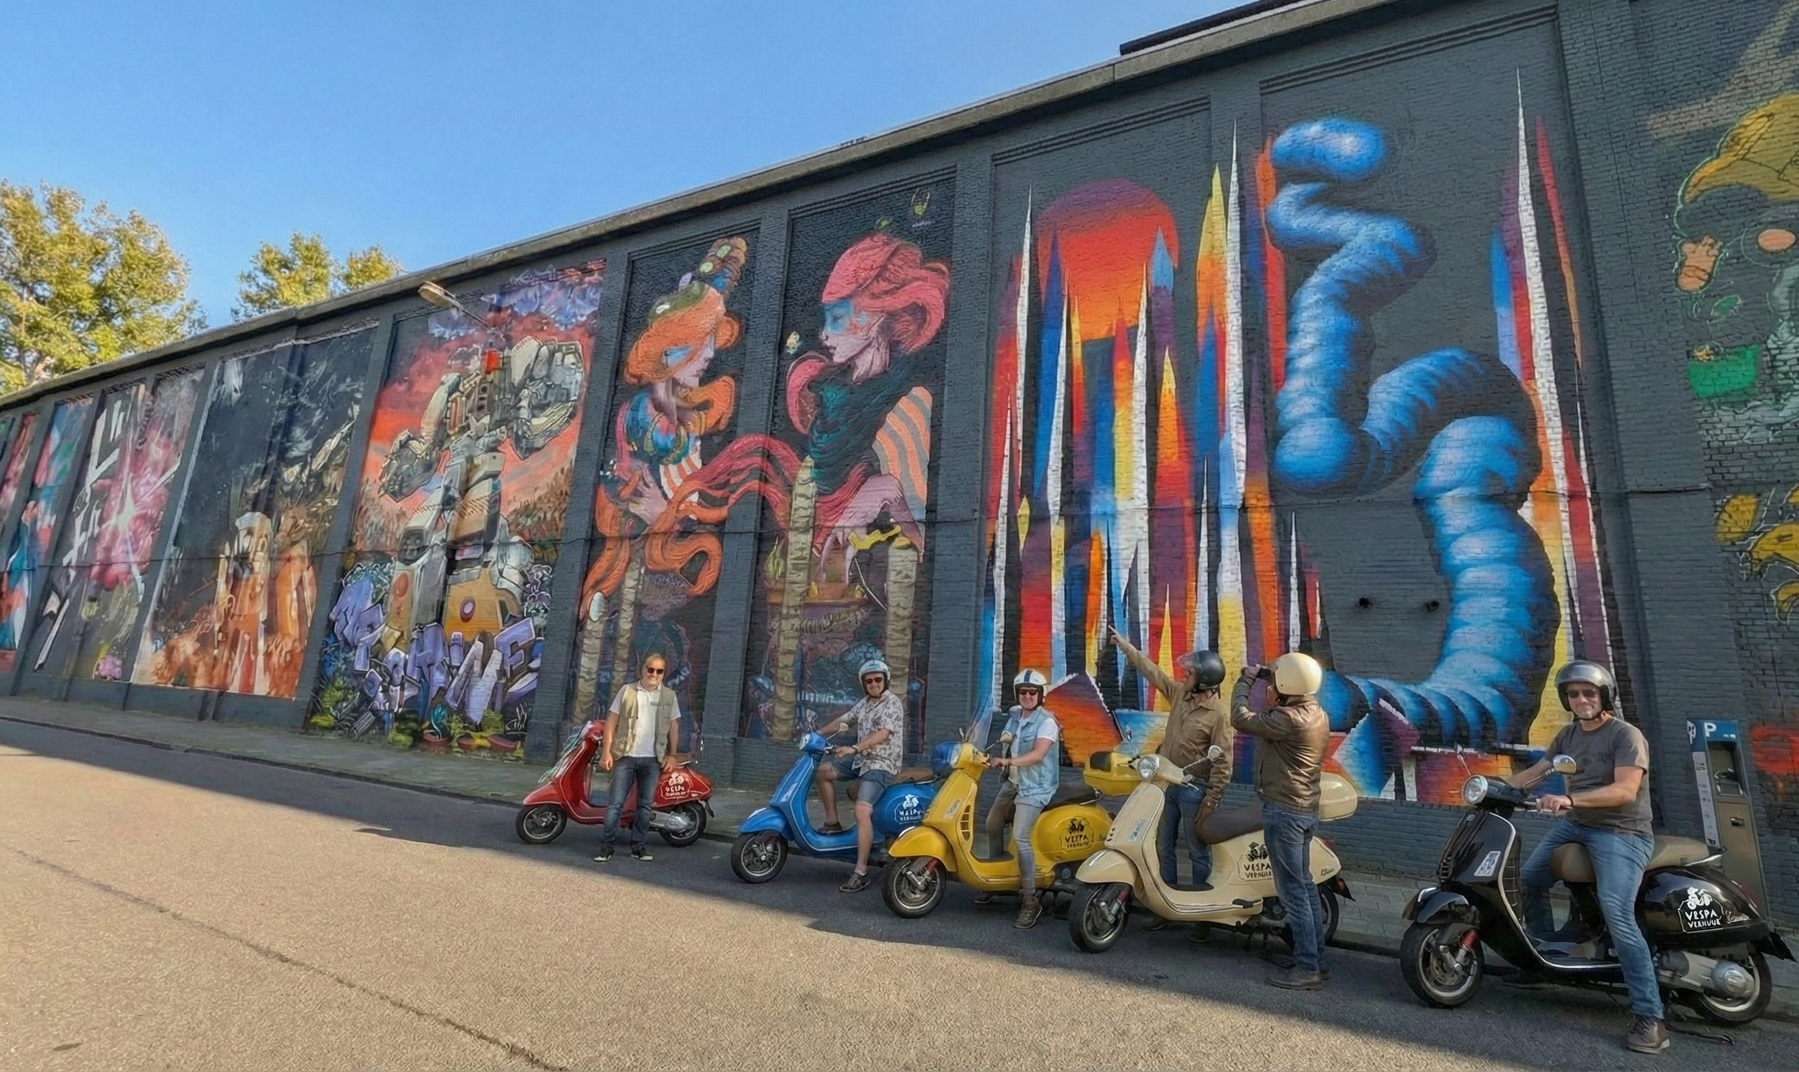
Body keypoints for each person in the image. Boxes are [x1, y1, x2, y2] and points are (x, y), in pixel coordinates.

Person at [1505, 661, 1667, 1056]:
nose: (1580, 700)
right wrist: (1488, 788)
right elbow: (1538, 772)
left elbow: (1626, 791)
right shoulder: (1569, 735)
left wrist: (1570, 798)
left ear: (1604, 696)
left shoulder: (1626, 735)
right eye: (1573, 694)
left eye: (1588, 693)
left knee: (1617, 911)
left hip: (1621, 831)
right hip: (1576, 824)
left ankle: (1651, 1016)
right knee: (1528, 880)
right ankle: (1543, 959)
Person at [1110, 629, 1231, 938]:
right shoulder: (1180, 694)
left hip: (1194, 790)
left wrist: (1211, 801)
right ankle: (1163, 910)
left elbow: (1223, 761)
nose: (1184, 675)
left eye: (1190, 673)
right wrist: (1126, 646)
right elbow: (1153, 673)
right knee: (1163, 846)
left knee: (1197, 853)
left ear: (1203, 681)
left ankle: (1202, 918)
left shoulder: (1218, 715)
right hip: (1166, 784)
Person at [1231, 651, 1331, 990]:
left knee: (1293, 892)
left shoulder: (1287, 720)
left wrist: (1245, 680)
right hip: (1303, 810)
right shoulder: (1315, 712)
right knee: (1304, 886)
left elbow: (1240, 718)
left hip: (1285, 812)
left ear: (1287, 687)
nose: (1268, 689)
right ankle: (1314, 957)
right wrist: (1267, 675)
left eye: (1273, 683)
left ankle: (1306, 968)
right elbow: (1288, 685)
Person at [976, 669, 1063, 929]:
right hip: (1014, 783)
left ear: (1040, 695)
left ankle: (1029, 899)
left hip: (1036, 787)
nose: (1027, 696)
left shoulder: (1047, 722)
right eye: (1023, 692)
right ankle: (1000, 879)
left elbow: (1037, 755)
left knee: (1021, 836)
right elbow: (1003, 741)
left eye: (1032, 692)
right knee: (992, 823)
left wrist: (1009, 761)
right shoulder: (1015, 717)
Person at [814, 657, 905, 892]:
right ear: (863, 684)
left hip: (882, 764)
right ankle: (832, 822)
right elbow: (845, 720)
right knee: (824, 771)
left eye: (878, 679)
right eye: (869, 681)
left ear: (885, 680)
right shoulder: (864, 704)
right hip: (862, 760)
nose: (874, 684)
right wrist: (818, 734)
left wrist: (854, 748)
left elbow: (883, 734)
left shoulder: (892, 703)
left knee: (862, 810)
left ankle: (860, 871)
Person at [593, 653, 682, 863]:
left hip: (652, 759)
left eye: (659, 671)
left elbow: (674, 726)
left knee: (645, 806)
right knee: (615, 804)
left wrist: (672, 754)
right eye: (650, 669)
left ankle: (638, 847)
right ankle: (606, 847)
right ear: (642, 670)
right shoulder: (628, 691)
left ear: (663, 674)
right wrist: (606, 752)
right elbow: (611, 722)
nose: (654, 674)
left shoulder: (669, 696)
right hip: (625, 756)